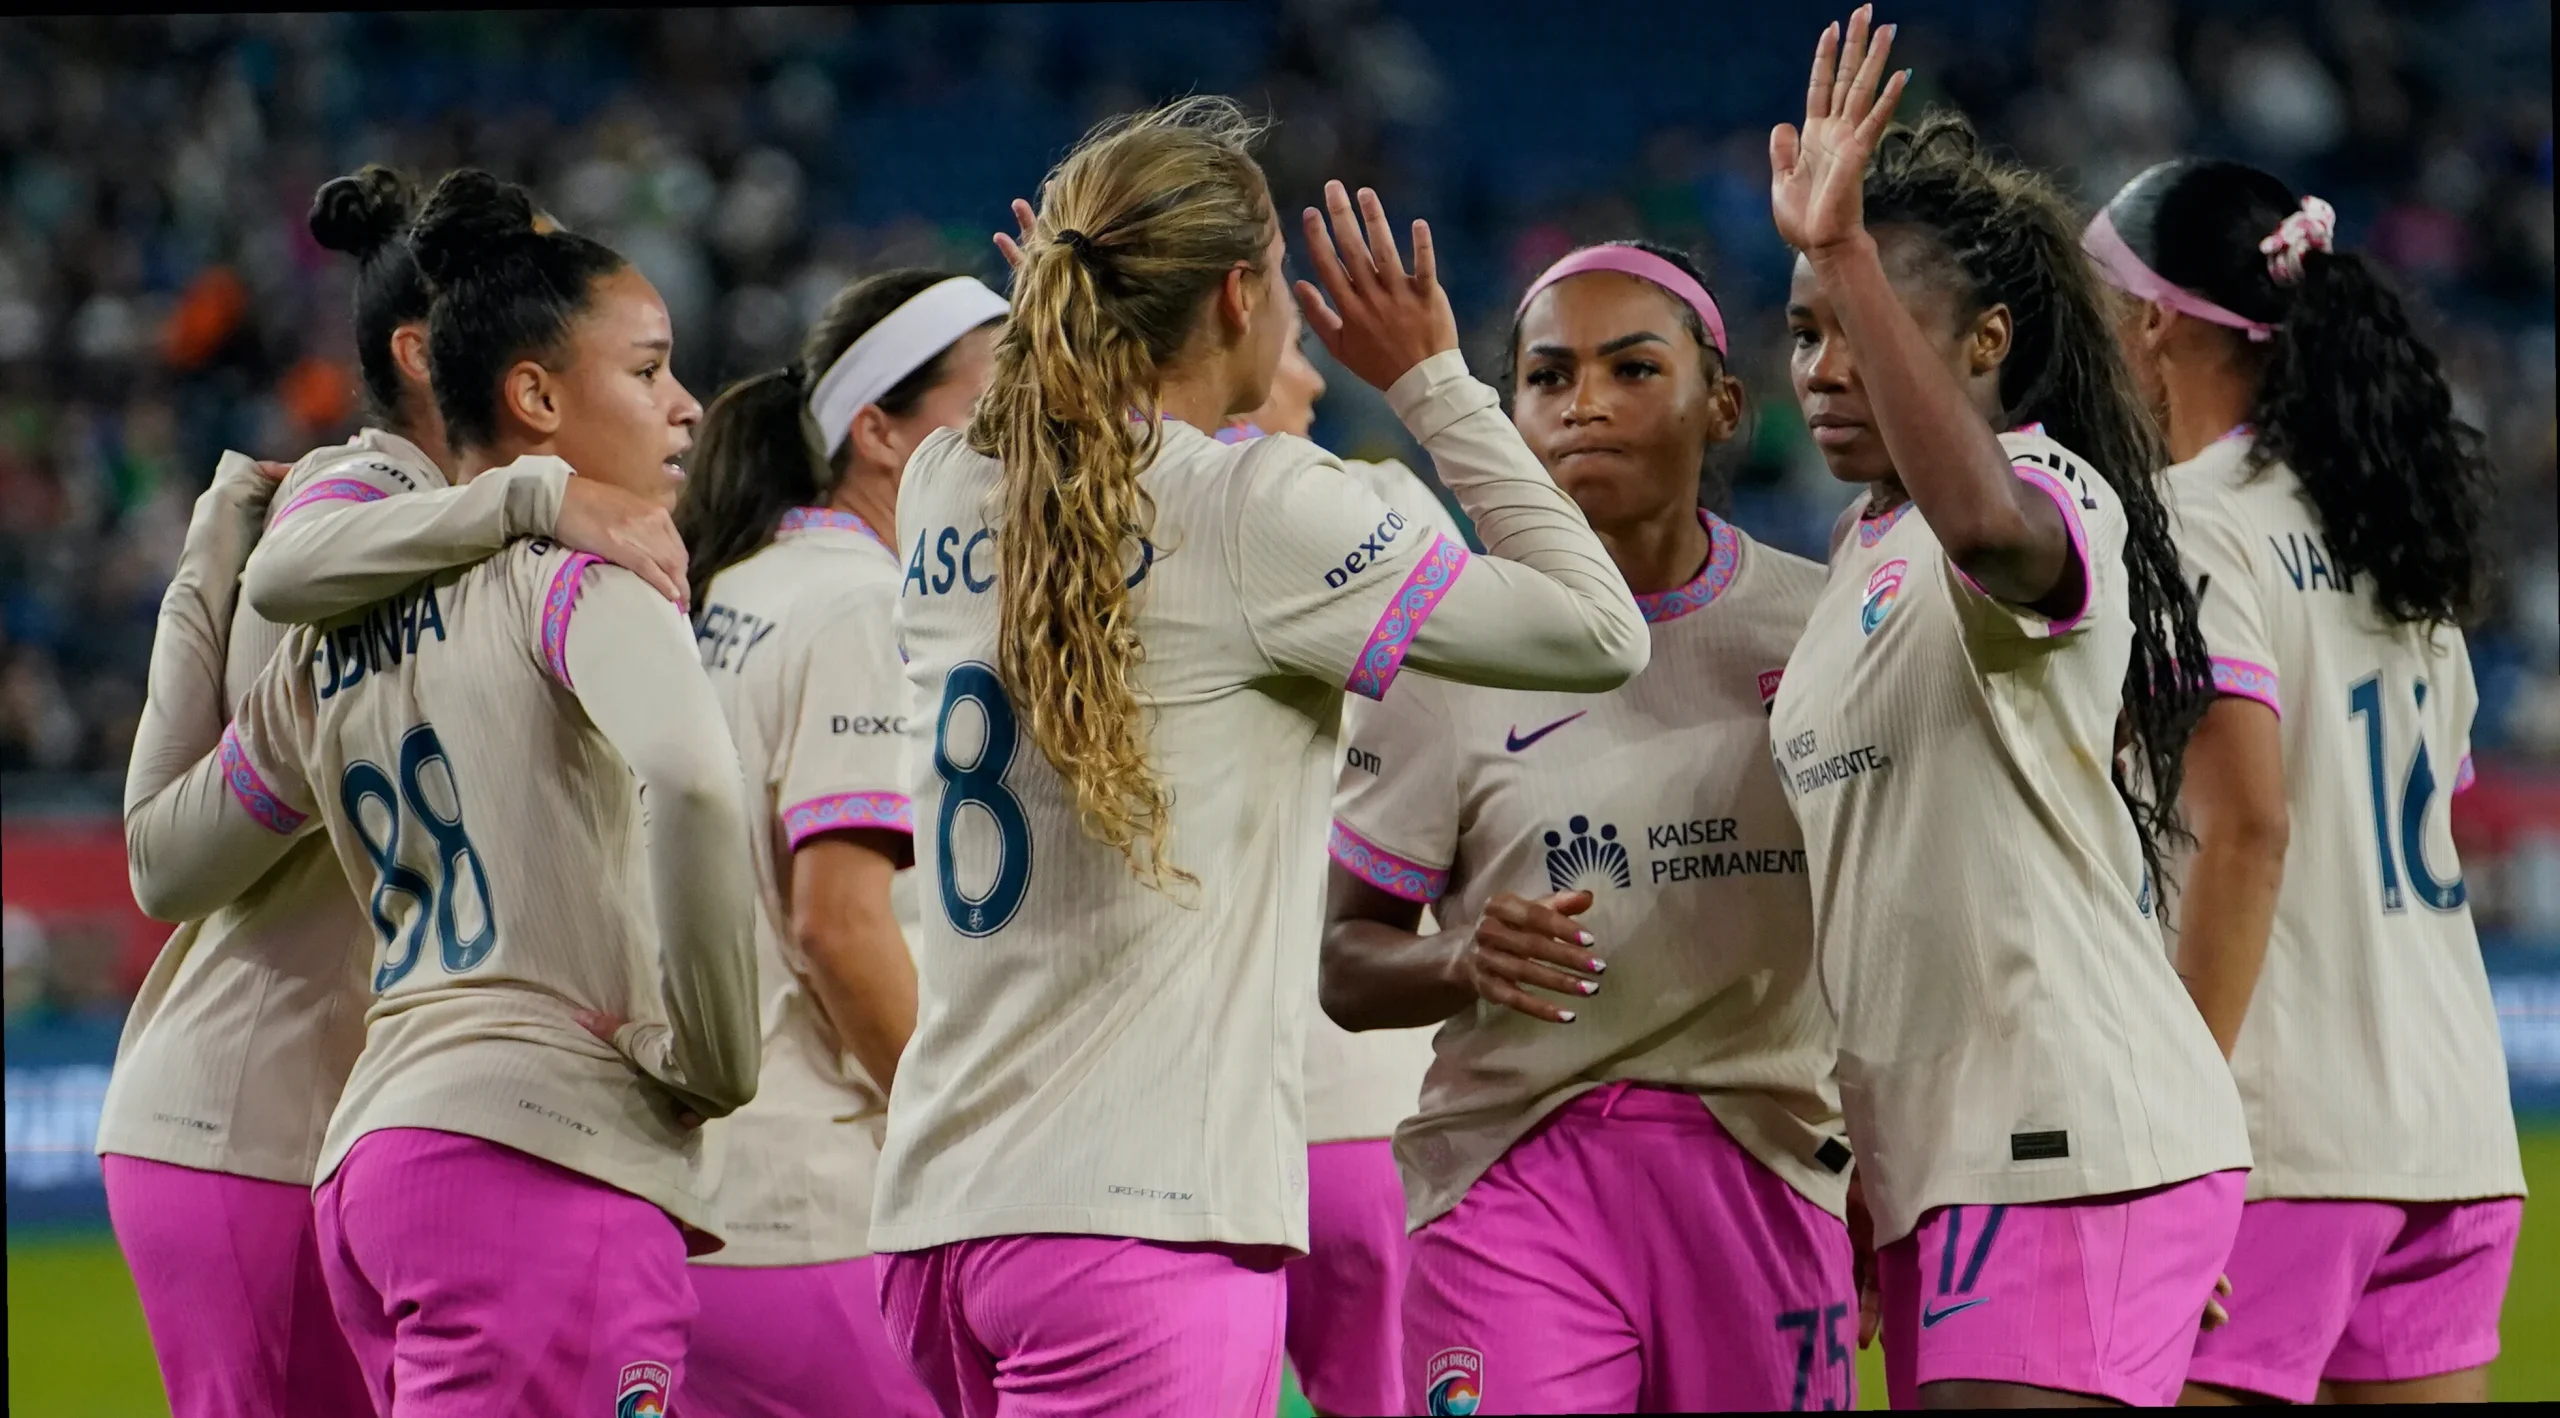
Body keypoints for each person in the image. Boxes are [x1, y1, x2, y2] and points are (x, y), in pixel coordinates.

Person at [871, 96, 1650, 1418]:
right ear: (1239, 297)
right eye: (1281, 279)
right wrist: (1432, 379)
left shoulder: (943, 481)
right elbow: (1599, 630)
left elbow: (1069, 471)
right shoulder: (1251, 509)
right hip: (1136, 1224)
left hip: (940, 1218)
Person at [122, 167, 759, 1416]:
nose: (679, 401)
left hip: (367, 1130)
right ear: (451, 355)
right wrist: (713, 1058)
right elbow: (690, 781)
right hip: (314, 1107)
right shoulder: (380, 506)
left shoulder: (376, 602)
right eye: (642, 366)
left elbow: (177, 839)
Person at [1761, 10, 2251, 1408]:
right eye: (1804, 331)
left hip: (2060, 1131)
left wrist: (1842, 249)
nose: (1825, 367)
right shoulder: (1855, 560)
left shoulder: (2047, 490)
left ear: (1986, 342)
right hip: (1941, 1157)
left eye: (1861, 326)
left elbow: (1983, 524)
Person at [1321, 239, 1855, 1415]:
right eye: (1549, 376)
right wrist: (1462, 956)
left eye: (1632, 368)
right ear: (1507, 414)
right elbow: (1345, 963)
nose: (1585, 405)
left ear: (1723, 405)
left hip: (1766, 1166)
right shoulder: (1442, 647)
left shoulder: (1821, 628)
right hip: (1510, 1171)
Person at [2089, 159, 2524, 1407]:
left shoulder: (2187, 520)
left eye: (2094, 296)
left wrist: (2173, 1128)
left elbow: (2247, 832)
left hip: (2275, 1130)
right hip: (2452, 1132)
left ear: (2152, 319)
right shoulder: (2394, 534)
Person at [666, 266, 1003, 1418]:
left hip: (708, 1196)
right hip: (813, 1206)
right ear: (877, 430)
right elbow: (838, 921)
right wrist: (964, 1143)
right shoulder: (866, 605)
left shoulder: (738, 584)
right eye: (993, 400)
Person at [1220, 306, 1449, 1418]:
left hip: (1198, 1131)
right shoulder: (1374, 510)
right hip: (1361, 1098)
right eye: (1291, 349)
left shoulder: (1094, 530)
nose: (1311, 381)